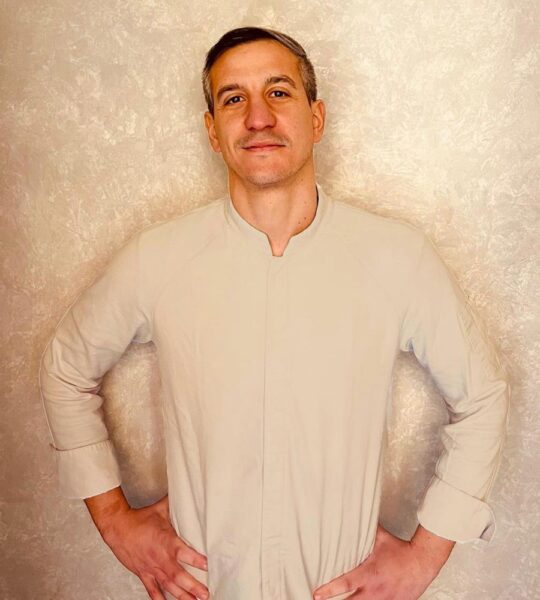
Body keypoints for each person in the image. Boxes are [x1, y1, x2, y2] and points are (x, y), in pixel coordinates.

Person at [39, 26, 510, 600]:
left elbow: (483, 396)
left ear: (316, 118)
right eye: (233, 98)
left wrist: (425, 556)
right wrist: (115, 521)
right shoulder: (158, 258)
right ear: (213, 131)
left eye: (278, 92)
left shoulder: (397, 257)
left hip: (337, 588)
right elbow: (66, 367)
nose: (258, 117)